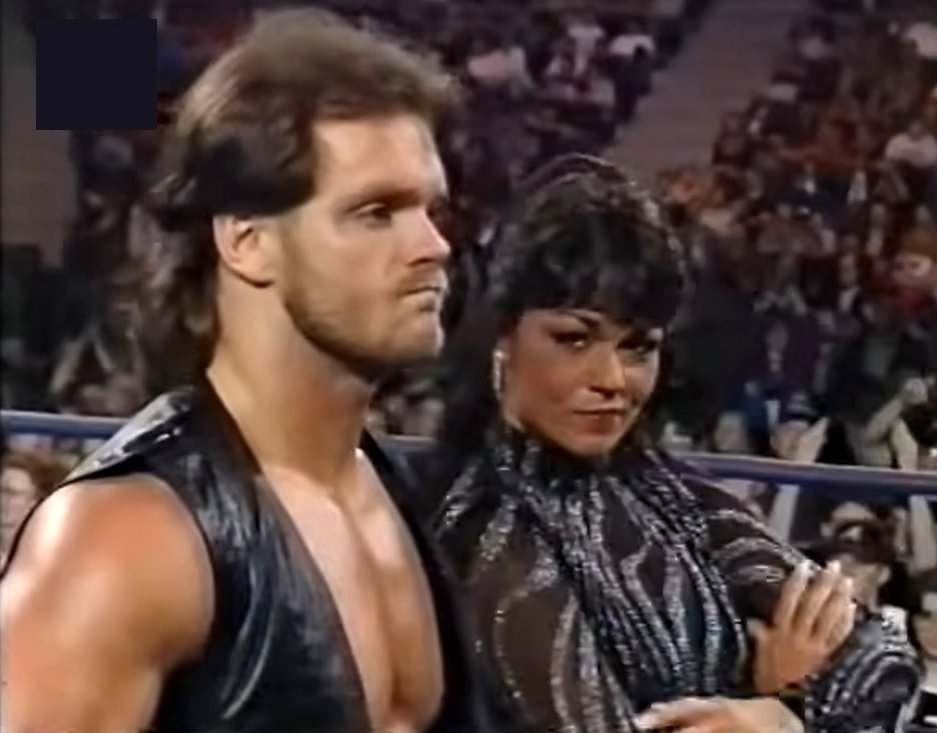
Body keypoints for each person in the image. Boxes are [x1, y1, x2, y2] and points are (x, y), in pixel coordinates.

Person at [1, 10, 489, 733]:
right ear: (248, 242)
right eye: (376, 211)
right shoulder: (124, 539)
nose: (433, 245)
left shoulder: (393, 497)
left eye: (431, 210)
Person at [428, 155, 920, 733]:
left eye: (638, 347)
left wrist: (786, 714)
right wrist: (770, 698)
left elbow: (886, 655)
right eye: (574, 339)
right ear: (502, 337)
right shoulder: (482, 526)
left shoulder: (672, 493)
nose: (613, 379)